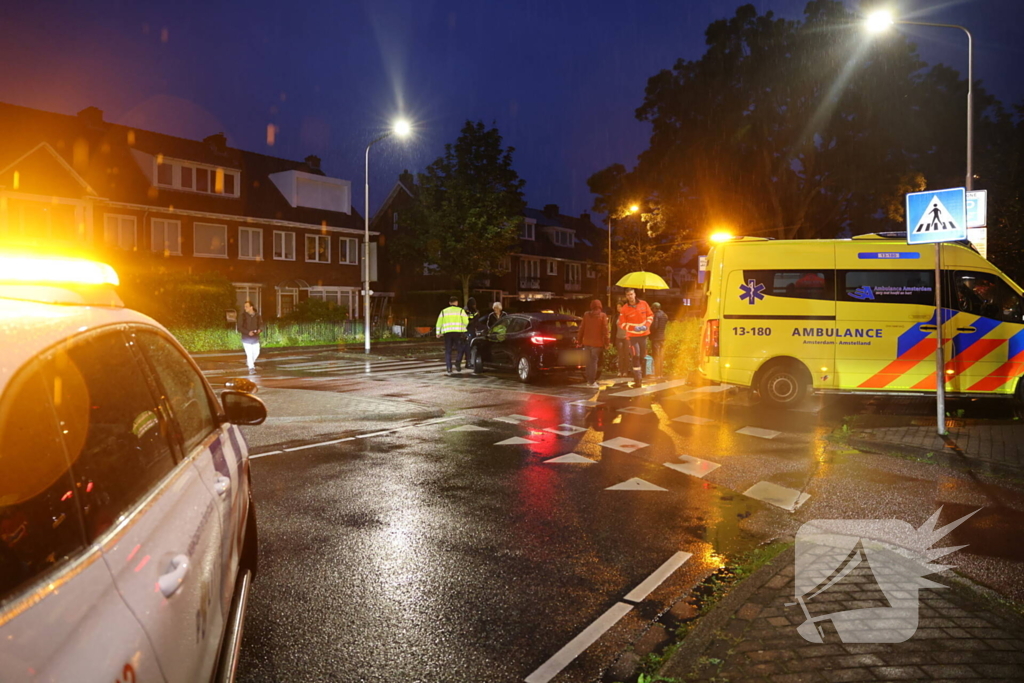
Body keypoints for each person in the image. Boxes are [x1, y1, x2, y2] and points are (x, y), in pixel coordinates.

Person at [618, 288, 654, 389]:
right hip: (632, 337)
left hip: (643, 335)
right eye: (628, 295)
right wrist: (634, 328)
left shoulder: (644, 304)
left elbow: (650, 315)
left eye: (631, 294)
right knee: (636, 356)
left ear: (634, 294)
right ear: (626, 296)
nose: (630, 296)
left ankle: (640, 376)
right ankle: (638, 380)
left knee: (642, 356)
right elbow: (622, 324)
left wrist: (646, 325)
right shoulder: (624, 309)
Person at [576, 299, 609, 388]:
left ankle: (588, 381)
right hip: (597, 344)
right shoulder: (602, 316)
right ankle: (592, 381)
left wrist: (579, 341)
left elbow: (581, 329)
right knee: (594, 362)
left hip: (587, 342)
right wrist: (607, 343)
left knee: (588, 362)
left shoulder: (586, 315)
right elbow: (605, 331)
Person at [436, 296, 469, 376]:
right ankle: (457, 362)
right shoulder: (461, 311)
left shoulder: (444, 311)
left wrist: (438, 332)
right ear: (456, 302)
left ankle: (449, 368)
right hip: (457, 333)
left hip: (447, 333)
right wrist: (463, 329)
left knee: (448, 351)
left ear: (449, 303)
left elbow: (439, 322)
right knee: (460, 349)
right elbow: (466, 321)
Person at [238, 301, 263, 374]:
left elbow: (261, 324)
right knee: (249, 353)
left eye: (246, 306)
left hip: (255, 337)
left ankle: (249, 362)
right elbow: (239, 327)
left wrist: (259, 330)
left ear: (251, 307)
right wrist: (248, 332)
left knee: (256, 352)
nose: (245, 308)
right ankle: (251, 368)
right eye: (245, 306)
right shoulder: (242, 316)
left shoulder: (257, 316)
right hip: (246, 338)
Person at [457, 297, 480, 371]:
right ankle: (465, 362)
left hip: (471, 331)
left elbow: (476, 321)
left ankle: (467, 362)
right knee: (466, 348)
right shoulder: (465, 311)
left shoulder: (474, 311)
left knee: (469, 348)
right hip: (466, 331)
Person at [650, 301, 669, 380]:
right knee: (661, 356)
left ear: (655, 308)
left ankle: (656, 374)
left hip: (656, 338)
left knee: (656, 356)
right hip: (662, 338)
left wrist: (650, 333)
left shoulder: (656, 315)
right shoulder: (664, 315)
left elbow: (655, 326)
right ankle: (660, 374)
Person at [615, 299, 630, 377]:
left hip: (626, 337)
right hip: (618, 337)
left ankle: (625, 371)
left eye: (620, 307)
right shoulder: (616, 316)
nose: (618, 308)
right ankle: (620, 370)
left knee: (626, 355)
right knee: (620, 355)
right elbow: (614, 328)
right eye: (617, 307)